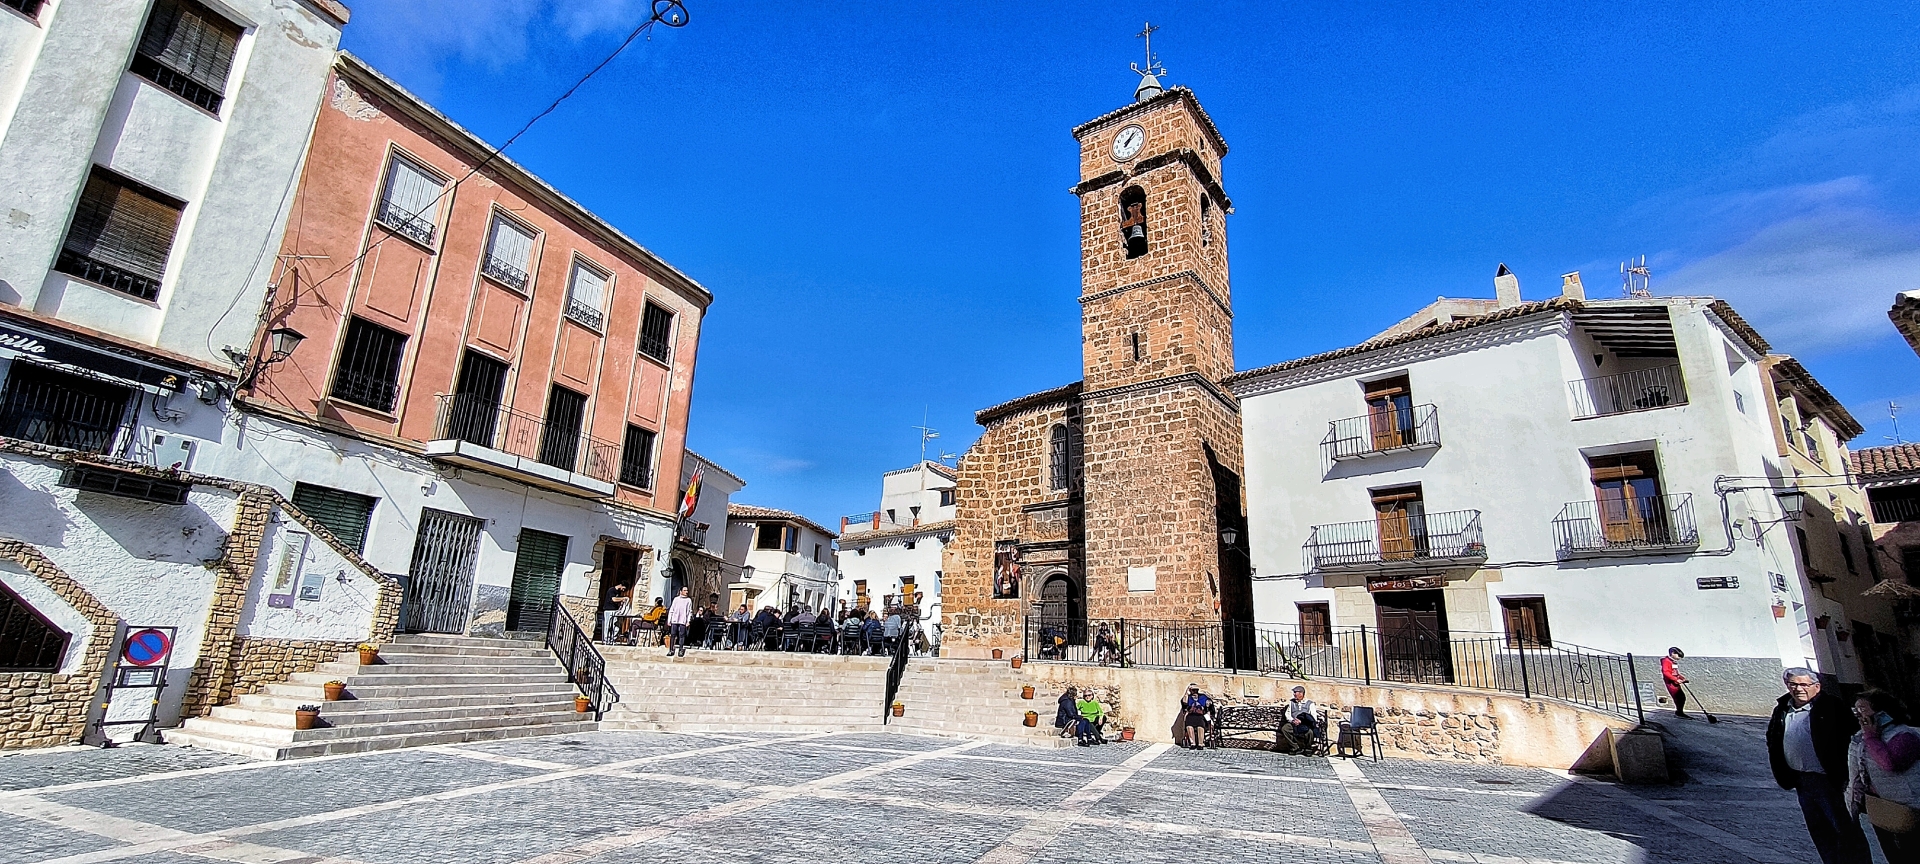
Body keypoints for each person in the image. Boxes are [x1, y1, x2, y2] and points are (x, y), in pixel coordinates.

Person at [1769, 667, 1871, 864]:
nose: (1798, 689)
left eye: (1804, 684)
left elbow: (1854, 737)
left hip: (1831, 780)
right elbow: (1773, 738)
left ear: (1817, 686)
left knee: (1845, 830)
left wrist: (1848, 775)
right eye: (1793, 684)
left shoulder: (1831, 706)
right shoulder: (1782, 709)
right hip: (1801, 780)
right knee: (1820, 831)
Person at [1847, 689, 1920, 863]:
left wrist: (1872, 737)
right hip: (1883, 808)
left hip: (1910, 809)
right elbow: (1855, 774)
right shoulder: (1860, 738)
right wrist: (1852, 806)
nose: (1859, 716)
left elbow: (1889, 764)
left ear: (1882, 712)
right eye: (1856, 711)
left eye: (1863, 710)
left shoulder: (1905, 735)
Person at [1283, 686, 1319, 753]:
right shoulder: (1291, 702)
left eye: (1295, 692)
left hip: (1305, 724)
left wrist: (1301, 721)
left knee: (1310, 732)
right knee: (1285, 729)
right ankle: (1294, 747)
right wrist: (1292, 720)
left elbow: (1314, 717)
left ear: (1301, 693)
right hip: (1294, 723)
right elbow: (1287, 714)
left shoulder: (1310, 704)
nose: (1294, 694)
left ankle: (1308, 748)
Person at [1179, 683, 1213, 749]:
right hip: (1191, 715)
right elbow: (1184, 702)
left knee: (1200, 723)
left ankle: (1200, 743)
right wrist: (1187, 692)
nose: (1195, 691)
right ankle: (1193, 743)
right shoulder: (1188, 697)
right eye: (1193, 690)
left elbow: (1209, 703)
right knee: (1189, 723)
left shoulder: (1202, 696)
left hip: (1201, 715)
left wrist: (1208, 703)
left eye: (1196, 690)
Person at [1662, 647, 1690, 719]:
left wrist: (1682, 678)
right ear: (1672, 653)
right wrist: (1675, 679)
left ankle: (1679, 712)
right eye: (1678, 656)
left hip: (1675, 682)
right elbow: (1666, 672)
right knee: (1679, 697)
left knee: (1682, 697)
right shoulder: (1666, 661)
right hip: (1671, 683)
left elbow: (1676, 673)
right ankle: (1679, 713)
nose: (1679, 658)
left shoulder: (1672, 662)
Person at [665, 588, 693, 657]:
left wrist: (688, 621)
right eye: (685, 590)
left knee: (682, 635)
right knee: (673, 635)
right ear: (681, 591)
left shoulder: (688, 600)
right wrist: (669, 620)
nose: (686, 592)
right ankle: (671, 650)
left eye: (687, 590)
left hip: (683, 620)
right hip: (675, 620)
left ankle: (681, 649)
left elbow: (689, 611)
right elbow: (672, 609)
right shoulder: (676, 599)